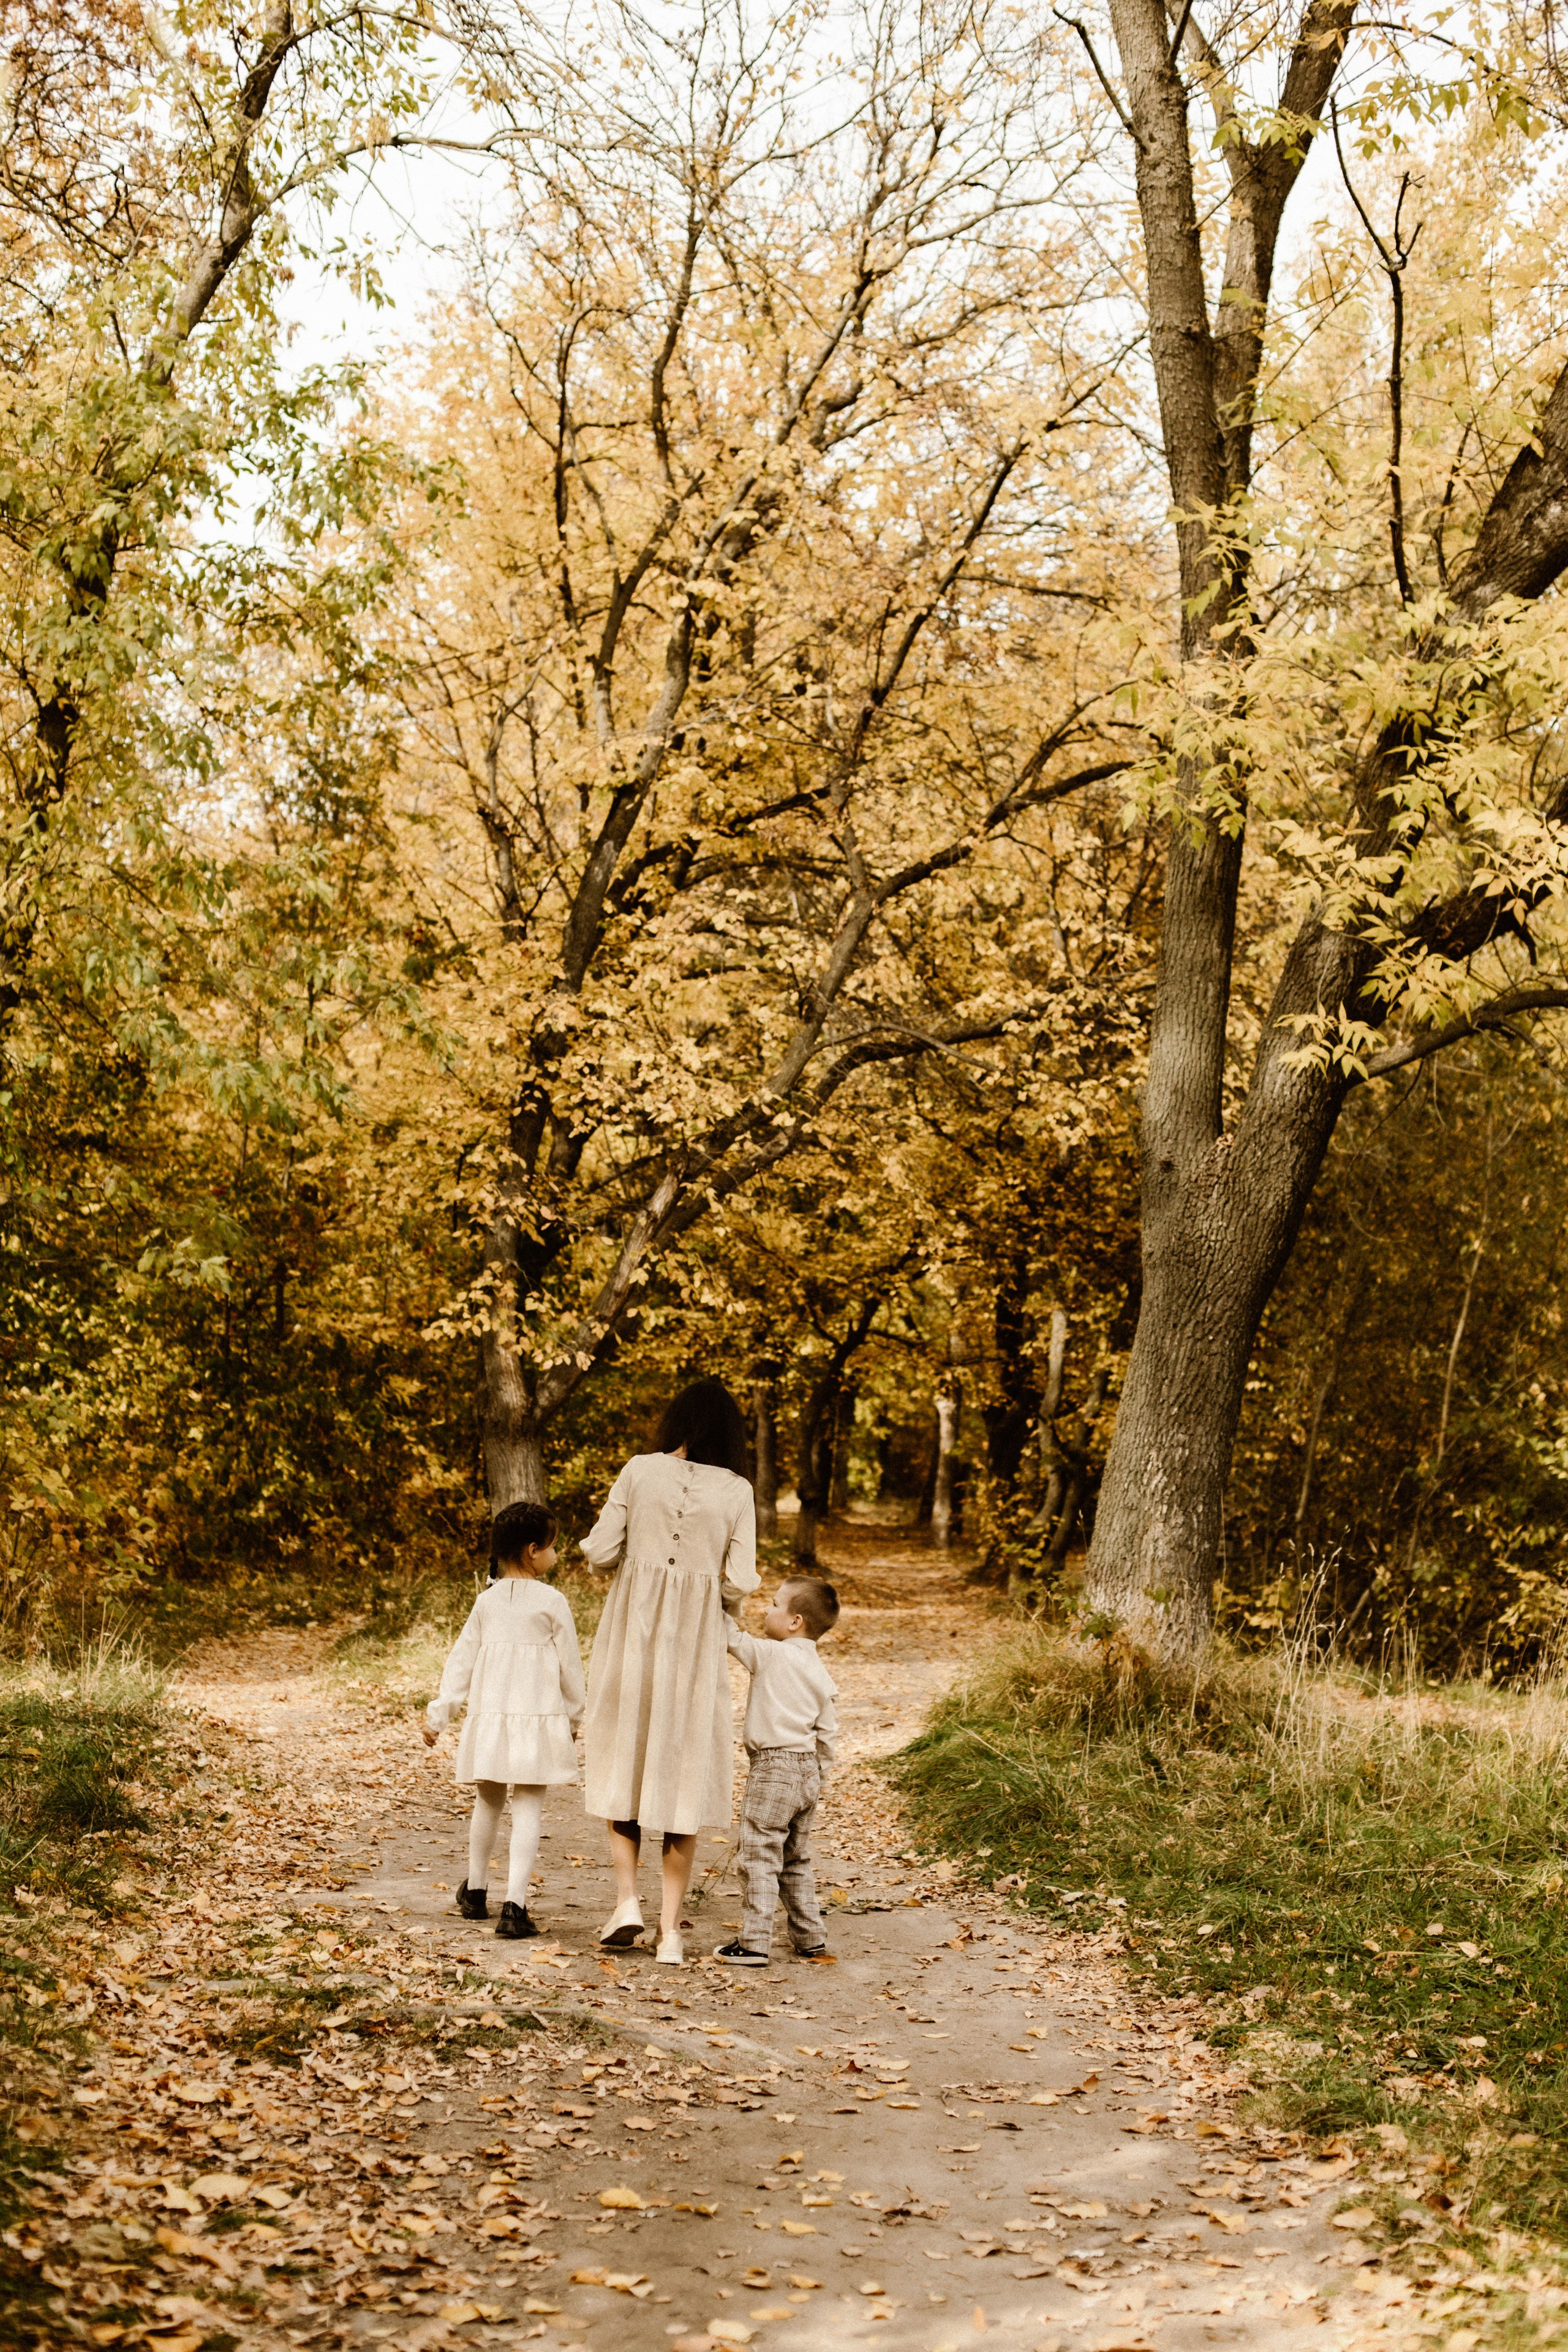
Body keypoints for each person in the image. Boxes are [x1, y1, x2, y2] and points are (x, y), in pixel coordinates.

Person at [579, 1378, 759, 1966]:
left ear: (676, 1420)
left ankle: (627, 1902)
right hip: (696, 1643)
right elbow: (739, 1580)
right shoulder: (737, 1490)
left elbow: (602, 1551)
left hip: (632, 1635)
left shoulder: (639, 1470)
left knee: (623, 1759)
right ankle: (672, 1932)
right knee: (680, 1773)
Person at [423, 1500, 586, 1940]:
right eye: (553, 1547)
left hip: (492, 1720)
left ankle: (475, 1892)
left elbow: (461, 1662)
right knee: (529, 1805)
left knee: (488, 1801)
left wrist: (440, 1714)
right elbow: (571, 1666)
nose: (556, 1554)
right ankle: (515, 1905)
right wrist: (573, 1716)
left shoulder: (487, 1602)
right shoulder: (552, 1601)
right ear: (533, 1550)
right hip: (536, 1721)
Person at [712, 1577, 839, 1967]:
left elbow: (731, 1636)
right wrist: (818, 1777)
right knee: (795, 1858)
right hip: (807, 1772)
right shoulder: (819, 1671)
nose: (766, 1610)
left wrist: (723, 1599)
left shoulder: (770, 1654)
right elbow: (828, 1733)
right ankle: (810, 1937)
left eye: (773, 1604)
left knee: (760, 1856)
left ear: (795, 1621)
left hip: (773, 1769)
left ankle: (754, 1942)